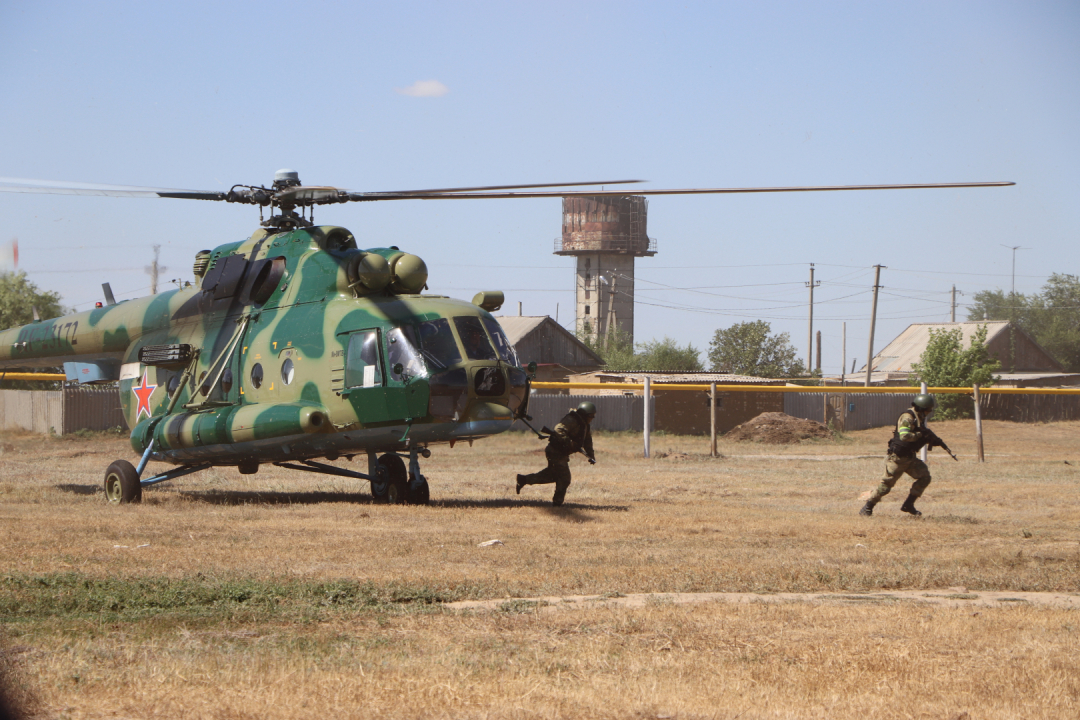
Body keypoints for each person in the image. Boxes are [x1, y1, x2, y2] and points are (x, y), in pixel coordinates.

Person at [860, 393, 944, 517]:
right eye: (928, 410)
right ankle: (867, 507)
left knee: (925, 477)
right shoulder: (907, 417)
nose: (929, 412)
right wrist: (921, 436)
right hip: (897, 459)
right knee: (886, 486)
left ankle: (908, 505)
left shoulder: (918, 417)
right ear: (922, 408)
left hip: (909, 458)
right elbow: (904, 436)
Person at [516, 401, 597, 506]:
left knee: (553, 476)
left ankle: (524, 479)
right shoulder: (572, 419)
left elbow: (587, 440)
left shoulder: (584, 424)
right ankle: (557, 503)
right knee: (565, 479)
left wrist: (590, 455)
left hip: (561, 453)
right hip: (555, 451)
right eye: (591, 416)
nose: (591, 419)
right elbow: (558, 430)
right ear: (585, 415)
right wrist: (570, 443)